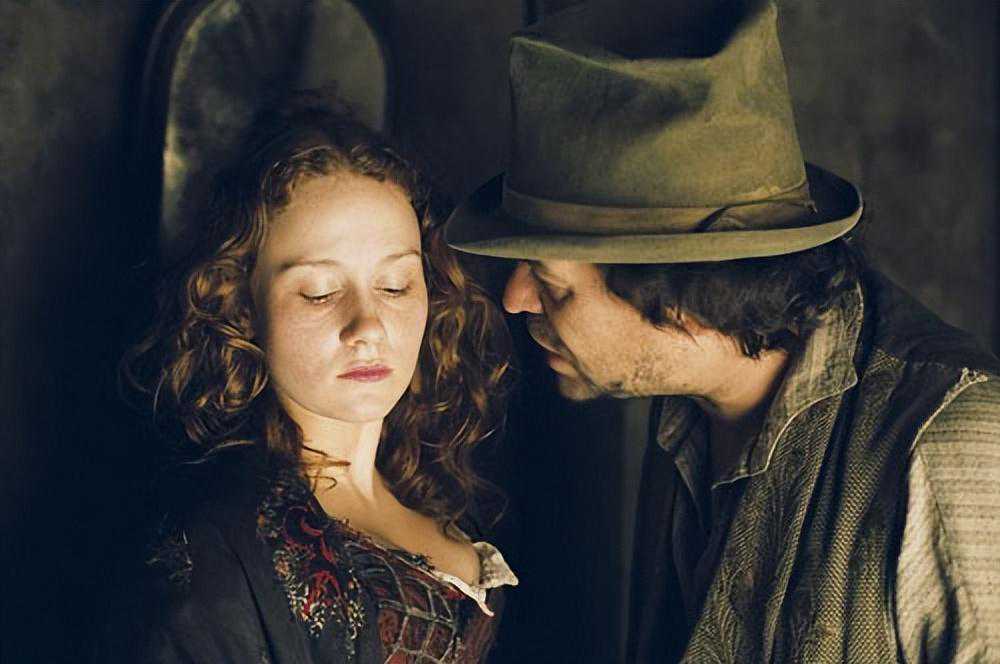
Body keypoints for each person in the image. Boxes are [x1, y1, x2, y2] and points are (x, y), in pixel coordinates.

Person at [445, 1, 1000, 662]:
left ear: (680, 300)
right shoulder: (687, 411)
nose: (515, 299)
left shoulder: (952, 447)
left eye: (551, 280)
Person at [101, 95, 518, 663]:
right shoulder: (213, 554)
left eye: (395, 285)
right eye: (319, 293)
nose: (368, 326)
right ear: (241, 307)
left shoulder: (444, 510)